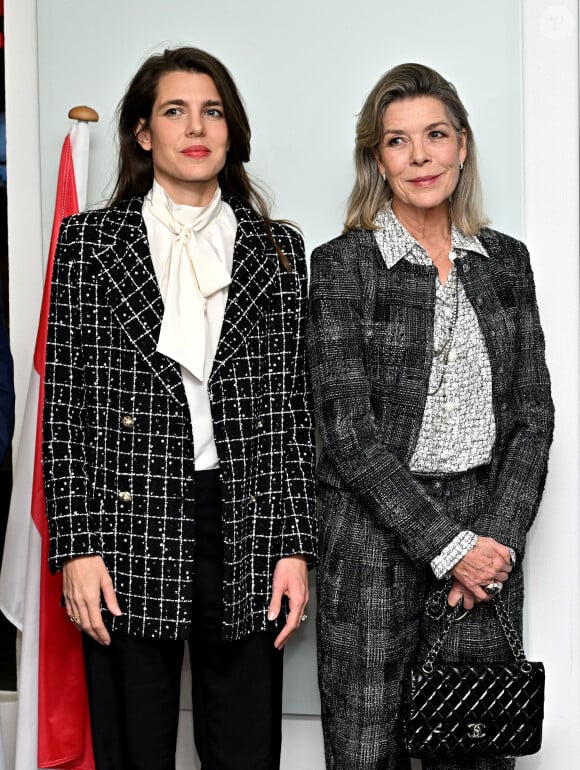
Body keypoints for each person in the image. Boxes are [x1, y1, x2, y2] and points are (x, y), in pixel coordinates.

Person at [42, 46, 316, 770]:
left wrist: (294, 546)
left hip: (245, 519)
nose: (196, 127)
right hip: (126, 520)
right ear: (142, 132)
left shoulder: (279, 250)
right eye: (174, 110)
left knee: (246, 750)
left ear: (231, 131)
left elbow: (292, 415)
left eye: (212, 111)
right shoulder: (89, 243)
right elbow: (65, 408)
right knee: (134, 748)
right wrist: (76, 547)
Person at [307, 63, 554, 770]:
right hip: (370, 541)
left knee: (475, 745)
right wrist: (447, 546)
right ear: (376, 159)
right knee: (366, 749)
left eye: (435, 135)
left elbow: (533, 417)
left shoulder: (507, 262)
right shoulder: (342, 265)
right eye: (397, 141)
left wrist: (494, 546)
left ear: (463, 146)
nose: (420, 156)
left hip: (486, 541)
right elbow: (346, 433)